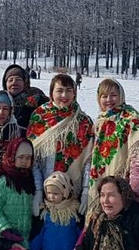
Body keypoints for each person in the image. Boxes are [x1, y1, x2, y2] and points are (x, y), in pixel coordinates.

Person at [27, 73, 96, 211]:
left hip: (71, 192)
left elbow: (88, 160)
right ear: (51, 93)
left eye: (69, 91)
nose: (64, 95)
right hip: (44, 189)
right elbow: (33, 158)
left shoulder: (83, 121)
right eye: (60, 90)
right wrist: (39, 189)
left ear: (74, 93)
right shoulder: (39, 116)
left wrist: (85, 190)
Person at [86, 78, 139, 202]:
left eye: (113, 95)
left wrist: (136, 196)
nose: (109, 100)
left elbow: (136, 161)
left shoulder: (132, 119)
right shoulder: (101, 120)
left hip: (122, 187)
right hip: (100, 182)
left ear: (121, 96)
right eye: (104, 96)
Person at [0, 64, 47, 130]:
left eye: (18, 80)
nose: (14, 83)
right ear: (5, 84)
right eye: (10, 80)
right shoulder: (0, 99)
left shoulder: (36, 95)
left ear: (25, 82)